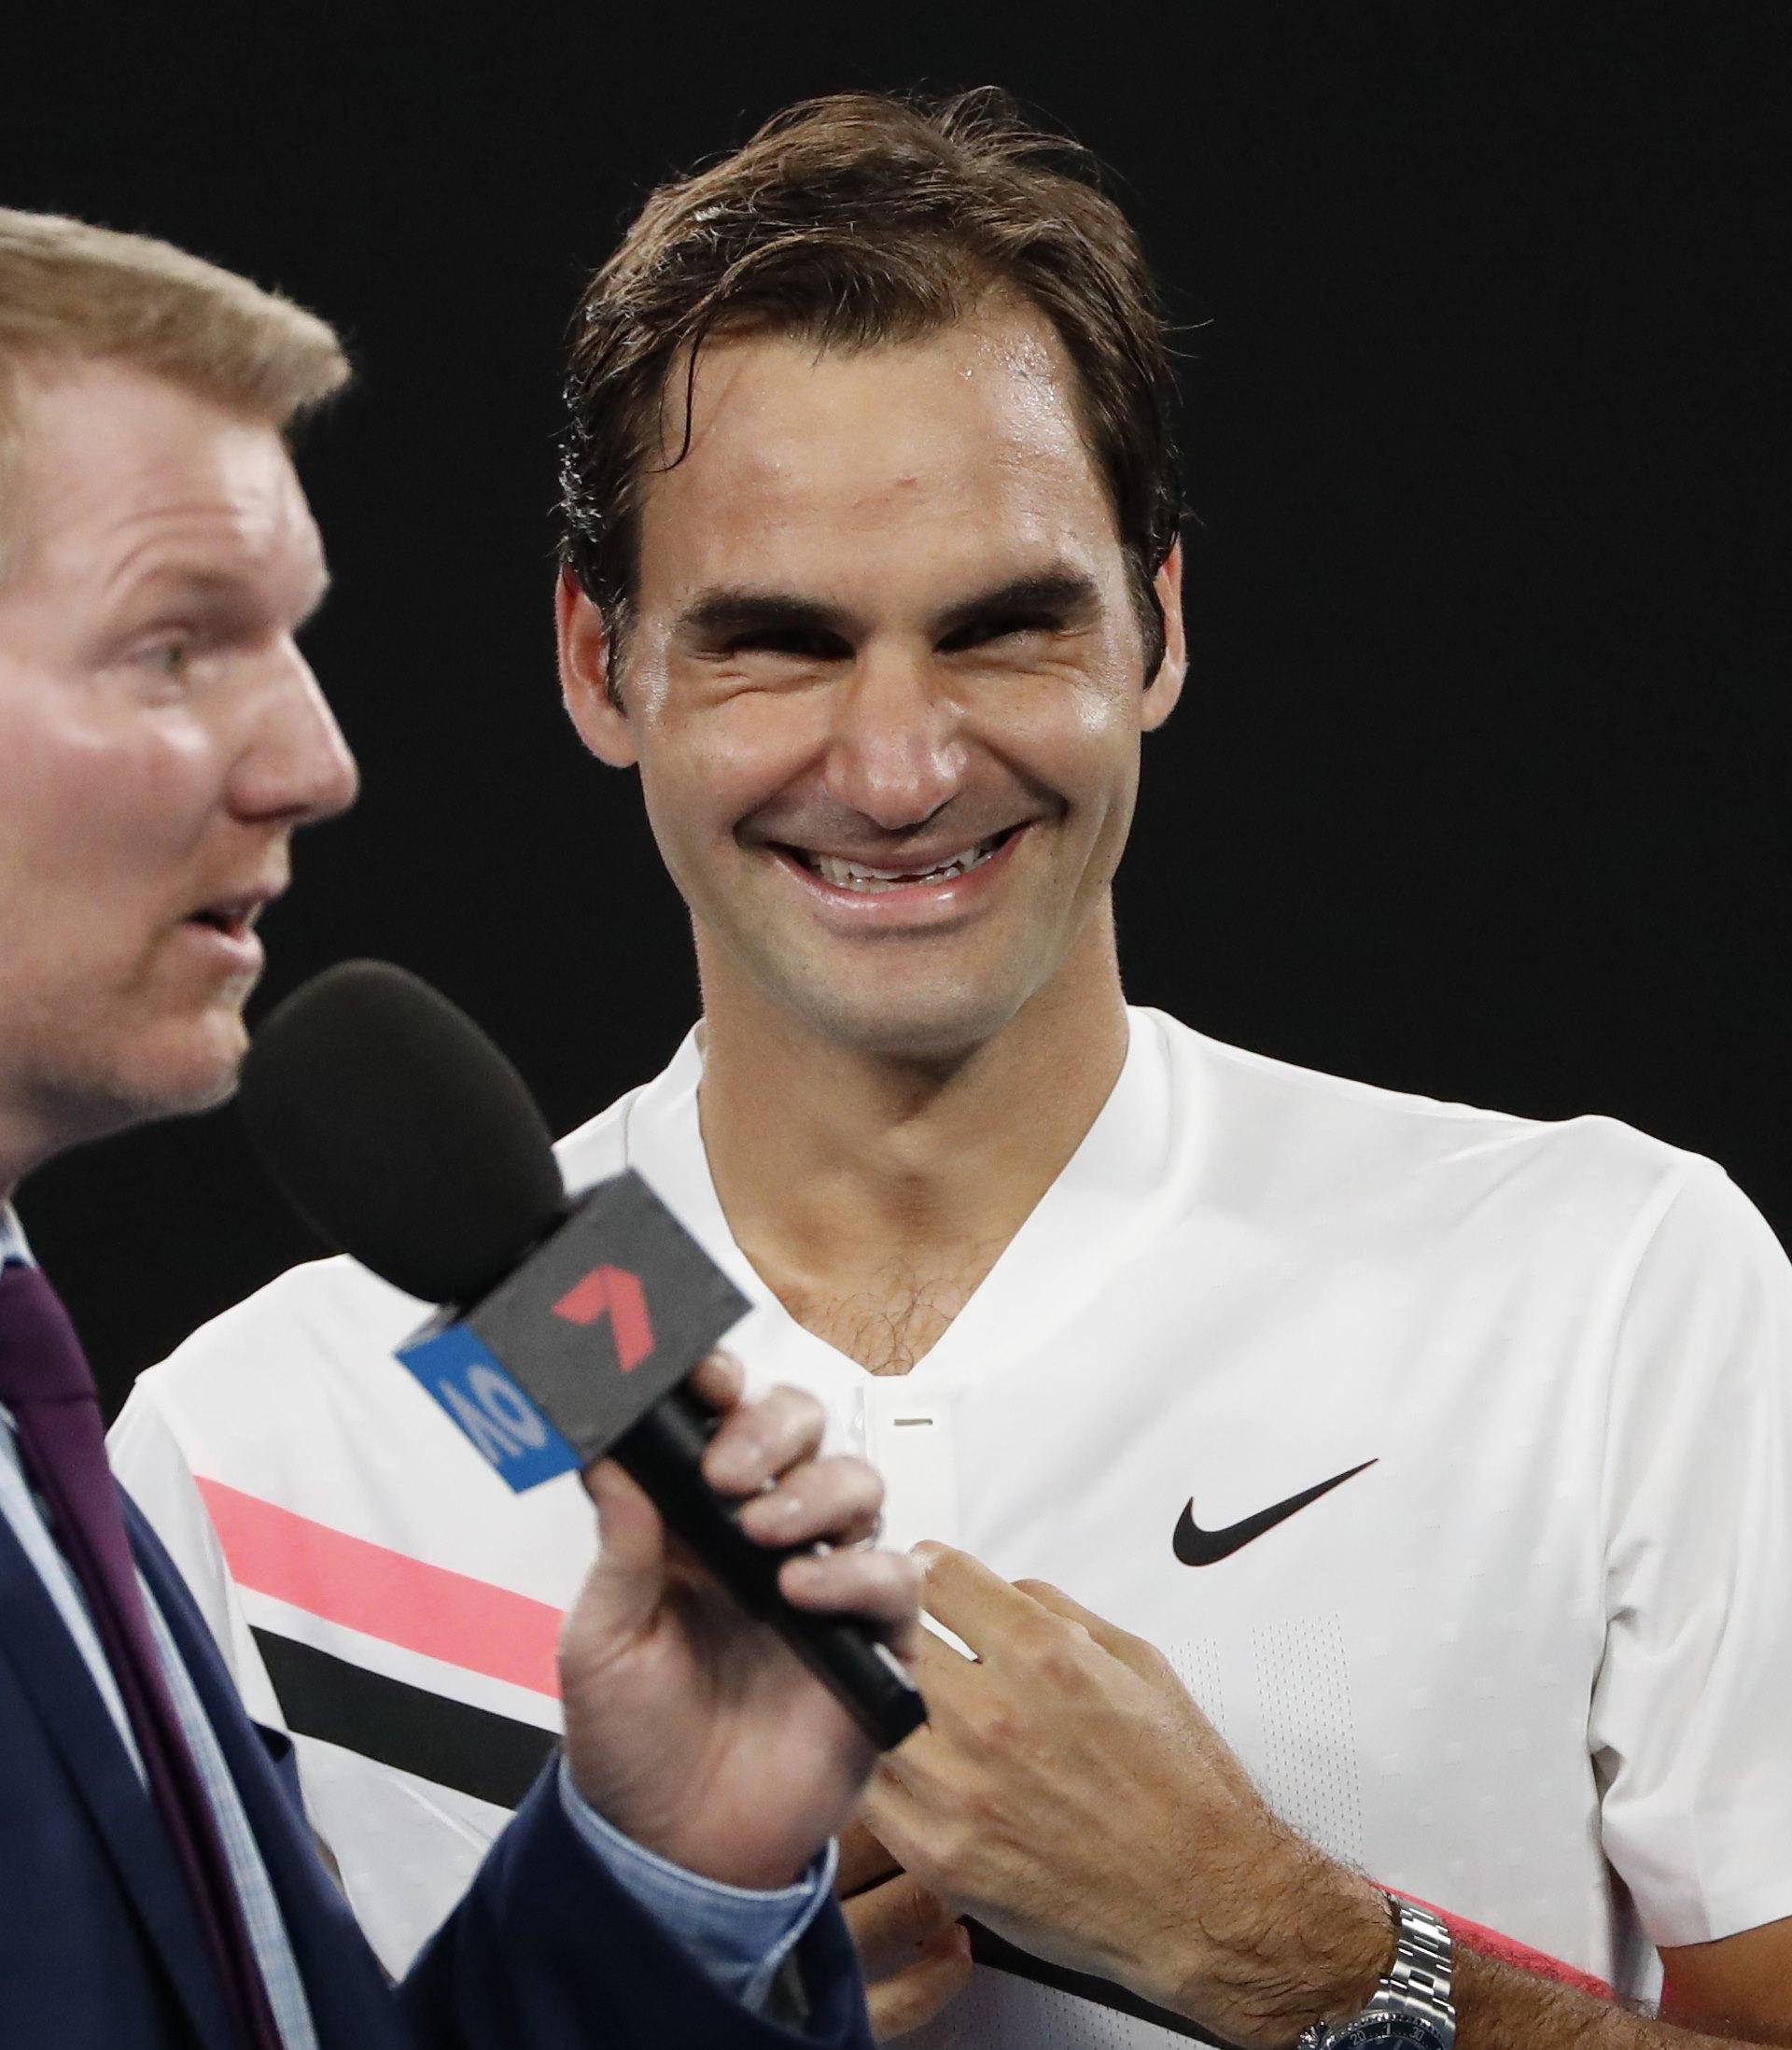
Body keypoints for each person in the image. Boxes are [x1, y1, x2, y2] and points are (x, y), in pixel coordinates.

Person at [110, 91, 1792, 2050]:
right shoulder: (254, 1452)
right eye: (777, 646)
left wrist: (1302, 1955)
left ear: (1157, 627)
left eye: (1003, 630)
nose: (900, 770)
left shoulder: (1610, 1297)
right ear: (600, 662)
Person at [0, 204, 924, 2049]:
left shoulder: (49, 1473)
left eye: (289, 639)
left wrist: (666, 1876)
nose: (316, 761)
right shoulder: (220, 1428)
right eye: (177, 645)